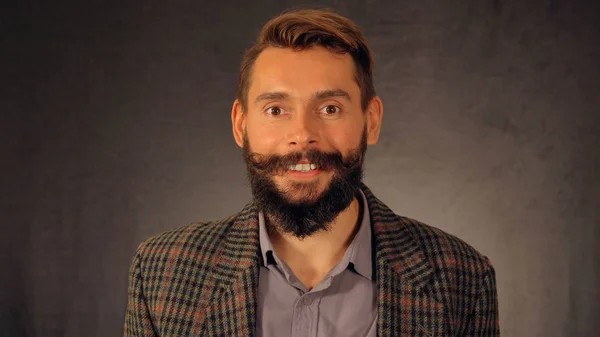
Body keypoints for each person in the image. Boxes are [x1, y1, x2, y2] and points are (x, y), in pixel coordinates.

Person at [124, 8, 499, 337]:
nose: (302, 135)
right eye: (275, 110)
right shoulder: (161, 272)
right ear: (241, 125)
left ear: (371, 121)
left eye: (330, 109)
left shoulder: (462, 278)